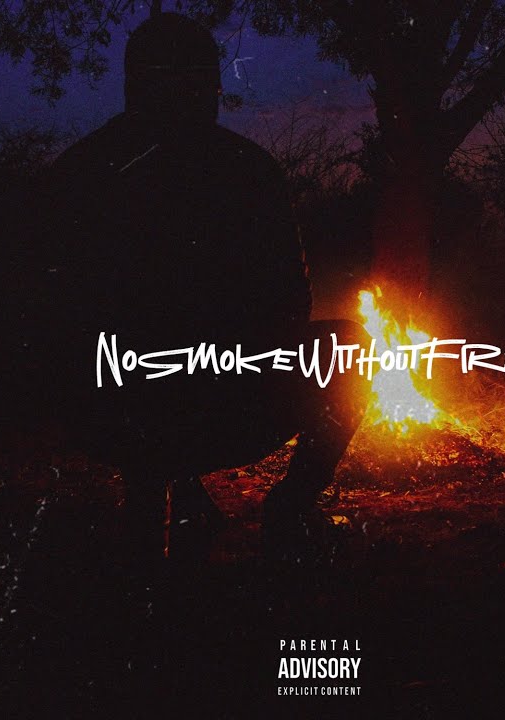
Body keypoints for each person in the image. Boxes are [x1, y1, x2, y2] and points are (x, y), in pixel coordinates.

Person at [35, 13, 367, 561]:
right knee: (348, 347)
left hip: (102, 411)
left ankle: (166, 496)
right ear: (210, 85)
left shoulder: (81, 168)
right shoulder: (248, 169)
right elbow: (290, 302)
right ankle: (287, 507)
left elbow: (49, 306)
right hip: (220, 406)